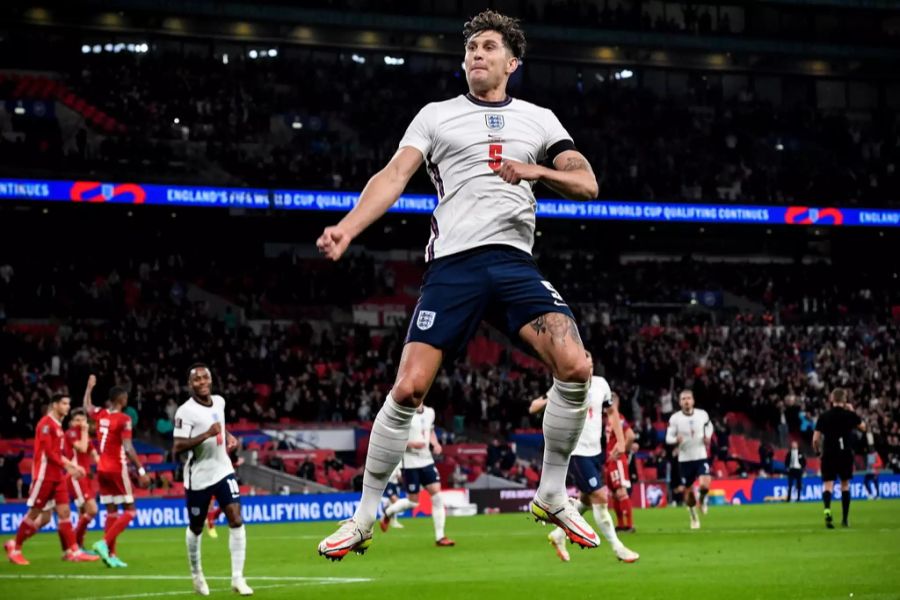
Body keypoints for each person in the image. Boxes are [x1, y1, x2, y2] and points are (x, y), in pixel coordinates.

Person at [316, 9, 598, 560]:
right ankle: (363, 518)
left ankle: (552, 493)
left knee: (577, 366)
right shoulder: (436, 115)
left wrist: (537, 171)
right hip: (454, 264)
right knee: (409, 389)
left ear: (511, 62)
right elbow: (394, 175)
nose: (475, 54)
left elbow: (586, 183)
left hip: (516, 263)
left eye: (487, 47)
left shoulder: (540, 120)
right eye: (470, 47)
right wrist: (347, 228)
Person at [530, 377, 639, 563]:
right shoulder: (564, 385)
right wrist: (554, 399)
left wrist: (621, 441)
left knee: (586, 500)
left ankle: (558, 534)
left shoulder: (601, 384)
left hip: (595, 451)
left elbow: (612, 412)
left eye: (588, 363)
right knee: (600, 497)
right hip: (576, 451)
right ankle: (618, 547)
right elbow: (533, 407)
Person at [173, 364, 252, 596]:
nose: (202, 382)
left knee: (236, 518)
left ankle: (238, 578)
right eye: (197, 379)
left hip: (223, 469)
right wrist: (207, 434)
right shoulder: (184, 412)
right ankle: (197, 575)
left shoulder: (219, 401)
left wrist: (227, 435)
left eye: (205, 377)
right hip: (198, 476)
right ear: (190, 384)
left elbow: (220, 424)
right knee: (196, 527)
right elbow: (177, 446)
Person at [4, 394, 98, 565]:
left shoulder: (58, 426)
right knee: (34, 513)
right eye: (64, 403)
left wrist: (71, 466)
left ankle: (74, 551)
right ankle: (15, 547)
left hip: (58, 476)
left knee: (64, 512)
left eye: (68, 403)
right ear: (54, 405)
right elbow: (49, 453)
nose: (67, 407)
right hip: (44, 475)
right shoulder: (46, 424)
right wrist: (70, 466)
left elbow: (58, 453)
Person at [83, 375, 150, 567]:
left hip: (102, 469)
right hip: (117, 468)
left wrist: (89, 388)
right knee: (130, 511)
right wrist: (142, 471)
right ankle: (103, 543)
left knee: (111, 512)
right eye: (126, 397)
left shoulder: (101, 414)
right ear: (121, 400)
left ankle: (111, 555)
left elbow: (87, 407)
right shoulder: (124, 419)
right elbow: (128, 447)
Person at [379, 404, 454, 546]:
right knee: (413, 502)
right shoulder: (403, 414)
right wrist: (411, 444)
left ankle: (440, 537)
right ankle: (388, 513)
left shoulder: (430, 412)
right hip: (410, 463)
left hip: (427, 461)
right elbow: (393, 439)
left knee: (437, 497)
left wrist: (436, 444)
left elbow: (430, 431)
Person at [812, 389, 866, 528]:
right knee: (845, 486)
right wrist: (852, 410)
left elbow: (815, 439)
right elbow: (863, 428)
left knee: (828, 485)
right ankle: (845, 519)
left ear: (832, 399)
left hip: (829, 454)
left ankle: (827, 510)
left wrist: (818, 452)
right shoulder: (849, 415)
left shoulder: (824, 416)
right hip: (845, 454)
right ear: (845, 399)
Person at [666, 390, 713, 529]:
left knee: (705, 485)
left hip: (700, 455)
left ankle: (703, 500)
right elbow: (668, 438)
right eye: (683, 399)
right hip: (685, 459)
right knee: (689, 494)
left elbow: (709, 426)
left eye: (688, 398)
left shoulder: (702, 414)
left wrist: (707, 437)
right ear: (680, 402)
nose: (686, 401)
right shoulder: (675, 418)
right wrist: (675, 439)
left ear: (693, 400)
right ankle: (693, 515)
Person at [65, 407, 100, 549]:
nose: (80, 423)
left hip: (85, 477)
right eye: (77, 420)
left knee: (83, 513)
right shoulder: (71, 433)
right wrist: (85, 431)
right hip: (76, 476)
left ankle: (78, 545)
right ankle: (73, 541)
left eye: (83, 420)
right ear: (71, 423)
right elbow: (82, 448)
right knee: (92, 509)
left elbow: (94, 454)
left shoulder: (86, 436)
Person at [605, 393, 636, 532]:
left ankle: (629, 524)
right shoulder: (608, 419)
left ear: (616, 403)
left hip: (617, 460)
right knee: (614, 493)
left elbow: (630, 435)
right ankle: (621, 525)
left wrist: (623, 451)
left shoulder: (619, 418)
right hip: (610, 460)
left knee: (621, 491)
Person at [379, 465, 406, 530]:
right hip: (388, 483)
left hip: (395, 484)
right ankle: (387, 518)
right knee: (395, 501)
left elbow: (399, 475)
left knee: (391, 503)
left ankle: (390, 520)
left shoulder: (399, 462)